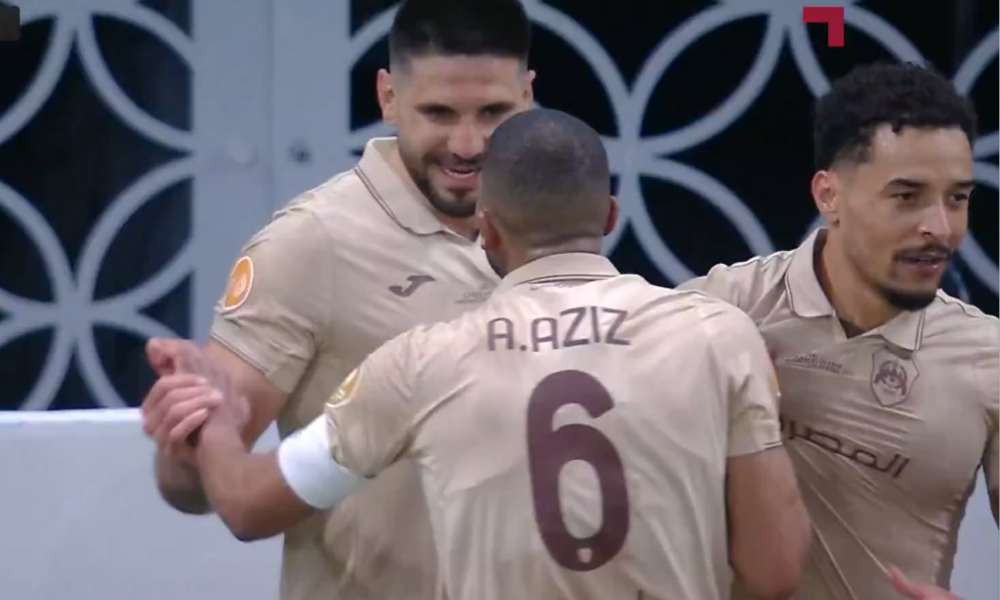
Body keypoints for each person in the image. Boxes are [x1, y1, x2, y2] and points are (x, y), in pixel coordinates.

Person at [143, 108, 812, 600]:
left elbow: (248, 505)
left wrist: (217, 421)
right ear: (610, 216)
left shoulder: (418, 362)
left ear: (486, 228)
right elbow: (775, 570)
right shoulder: (719, 336)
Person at [140, 1, 534, 598]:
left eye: (493, 113)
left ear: (527, 96)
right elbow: (195, 488)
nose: (467, 143)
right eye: (438, 113)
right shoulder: (311, 243)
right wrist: (186, 436)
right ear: (388, 97)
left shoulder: (549, 223)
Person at [678, 62, 998, 600]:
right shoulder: (721, 309)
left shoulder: (989, 356)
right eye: (907, 196)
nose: (940, 228)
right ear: (829, 195)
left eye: (957, 198)